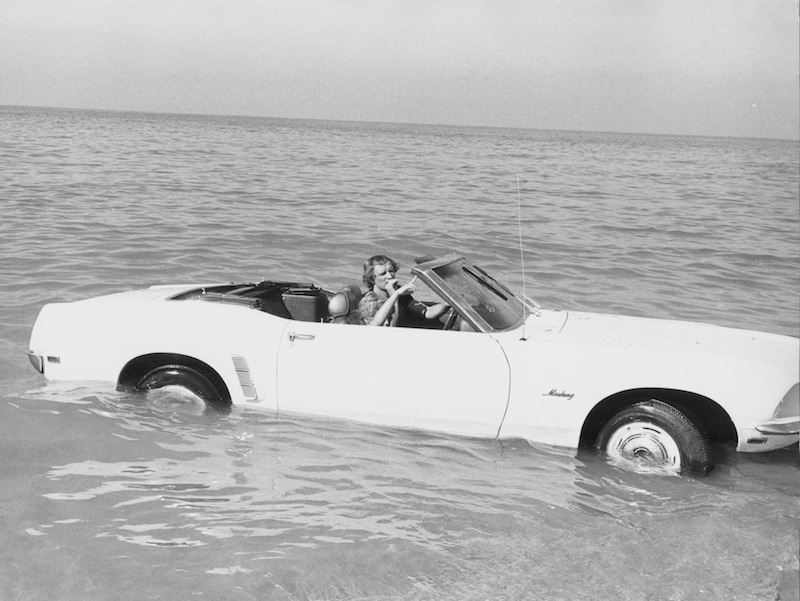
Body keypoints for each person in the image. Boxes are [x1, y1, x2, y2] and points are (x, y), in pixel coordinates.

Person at [358, 255, 450, 327]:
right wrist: (394, 293)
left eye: (391, 271)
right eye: (383, 274)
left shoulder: (402, 294)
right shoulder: (369, 300)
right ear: (372, 279)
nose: (390, 276)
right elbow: (387, 326)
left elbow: (427, 313)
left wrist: (446, 304)